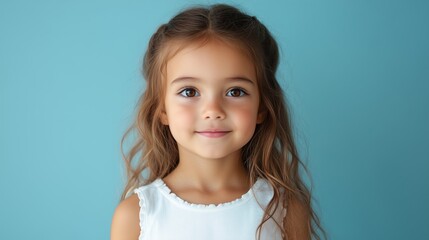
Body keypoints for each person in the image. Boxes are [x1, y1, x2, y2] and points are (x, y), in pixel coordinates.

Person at [111, 3, 325, 240]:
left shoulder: (285, 211)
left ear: (262, 107)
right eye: (189, 92)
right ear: (162, 109)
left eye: (235, 92)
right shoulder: (135, 215)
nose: (212, 111)